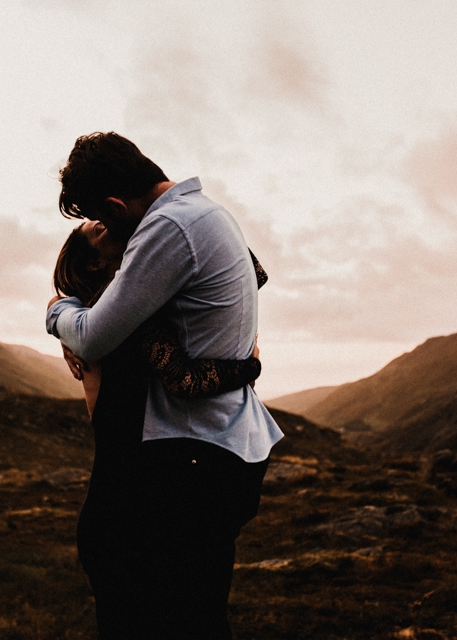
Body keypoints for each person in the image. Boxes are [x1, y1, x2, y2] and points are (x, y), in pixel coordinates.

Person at [46, 132, 283, 639]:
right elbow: (255, 274)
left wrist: (58, 310)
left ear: (114, 204)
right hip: (223, 449)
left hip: (190, 458)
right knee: (194, 610)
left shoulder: (167, 228)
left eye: (103, 220)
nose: (107, 231)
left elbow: (93, 338)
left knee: (171, 614)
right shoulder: (208, 214)